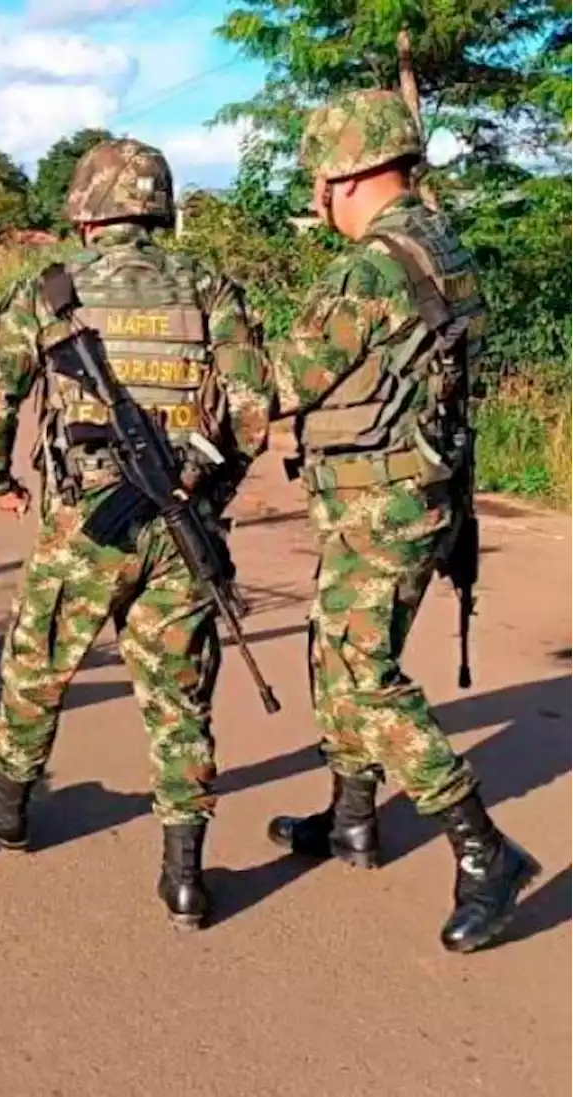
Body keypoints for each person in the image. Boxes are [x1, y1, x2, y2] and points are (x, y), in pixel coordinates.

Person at [0, 138, 275, 930]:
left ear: (86, 211)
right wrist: (206, 486)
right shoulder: (211, 288)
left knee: (37, 661)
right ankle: (185, 873)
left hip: (87, 522)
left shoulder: (49, 290)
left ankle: (7, 804)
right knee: (179, 691)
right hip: (182, 521)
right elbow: (255, 409)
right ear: (159, 206)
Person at [265, 88, 540, 953]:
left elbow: (280, 382)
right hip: (412, 493)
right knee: (332, 642)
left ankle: (484, 849)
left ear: (342, 175)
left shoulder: (370, 269)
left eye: (319, 176)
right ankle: (352, 818)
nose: (316, 193)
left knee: (360, 672)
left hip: (384, 503)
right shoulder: (439, 242)